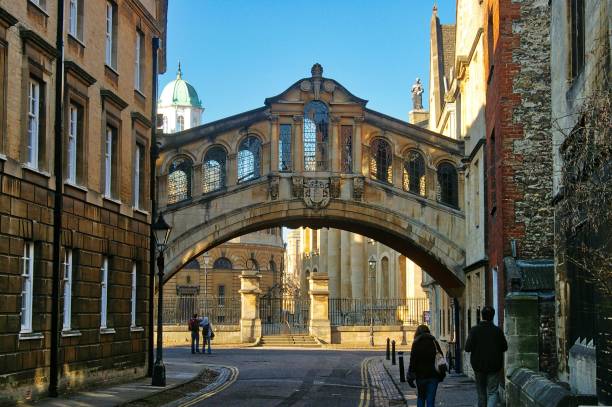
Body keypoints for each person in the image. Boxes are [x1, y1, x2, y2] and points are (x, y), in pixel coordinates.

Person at [464, 306, 508, 407]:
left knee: (481, 393)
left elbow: (467, 348)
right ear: (493, 316)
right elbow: (504, 347)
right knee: (492, 392)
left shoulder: (474, 330)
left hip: (478, 366)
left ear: (482, 315)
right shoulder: (497, 331)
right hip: (494, 366)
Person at [407, 325, 446, 407]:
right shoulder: (434, 342)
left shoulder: (416, 343)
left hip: (420, 376)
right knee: (430, 399)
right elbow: (440, 357)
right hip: (433, 375)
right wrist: (442, 374)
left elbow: (412, 361)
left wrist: (410, 375)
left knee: (421, 398)